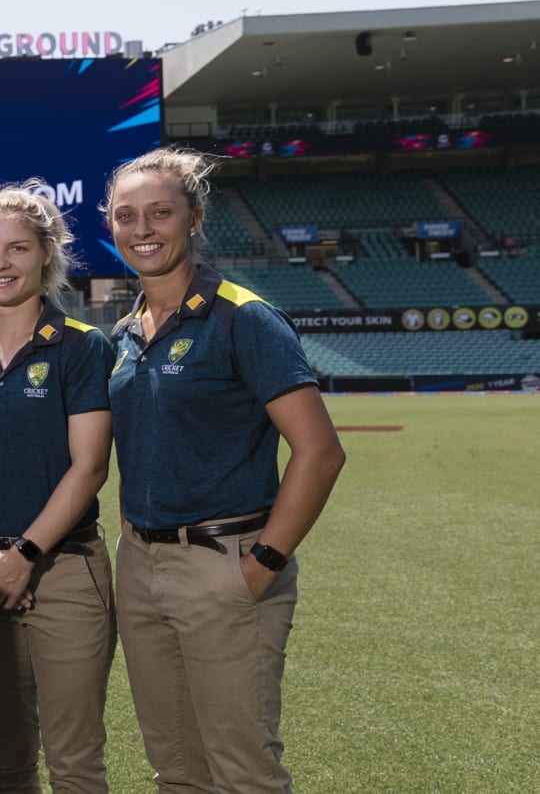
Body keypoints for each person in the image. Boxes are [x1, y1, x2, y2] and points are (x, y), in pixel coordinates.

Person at [104, 147, 345, 792]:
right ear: (111, 226)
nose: (143, 228)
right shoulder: (125, 332)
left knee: (244, 771)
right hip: (142, 564)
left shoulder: (244, 316)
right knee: (176, 768)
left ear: (195, 219)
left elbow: (320, 452)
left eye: (160, 212)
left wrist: (261, 563)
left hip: (225, 559)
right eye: (127, 215)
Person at [0, 183, 116, 792]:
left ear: (46, 253)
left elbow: (89, 469)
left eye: (16, 249)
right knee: (6, 763)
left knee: (75, 764)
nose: (0, 264)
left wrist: (23, 557)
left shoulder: (84, 347)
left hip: (65, 571)